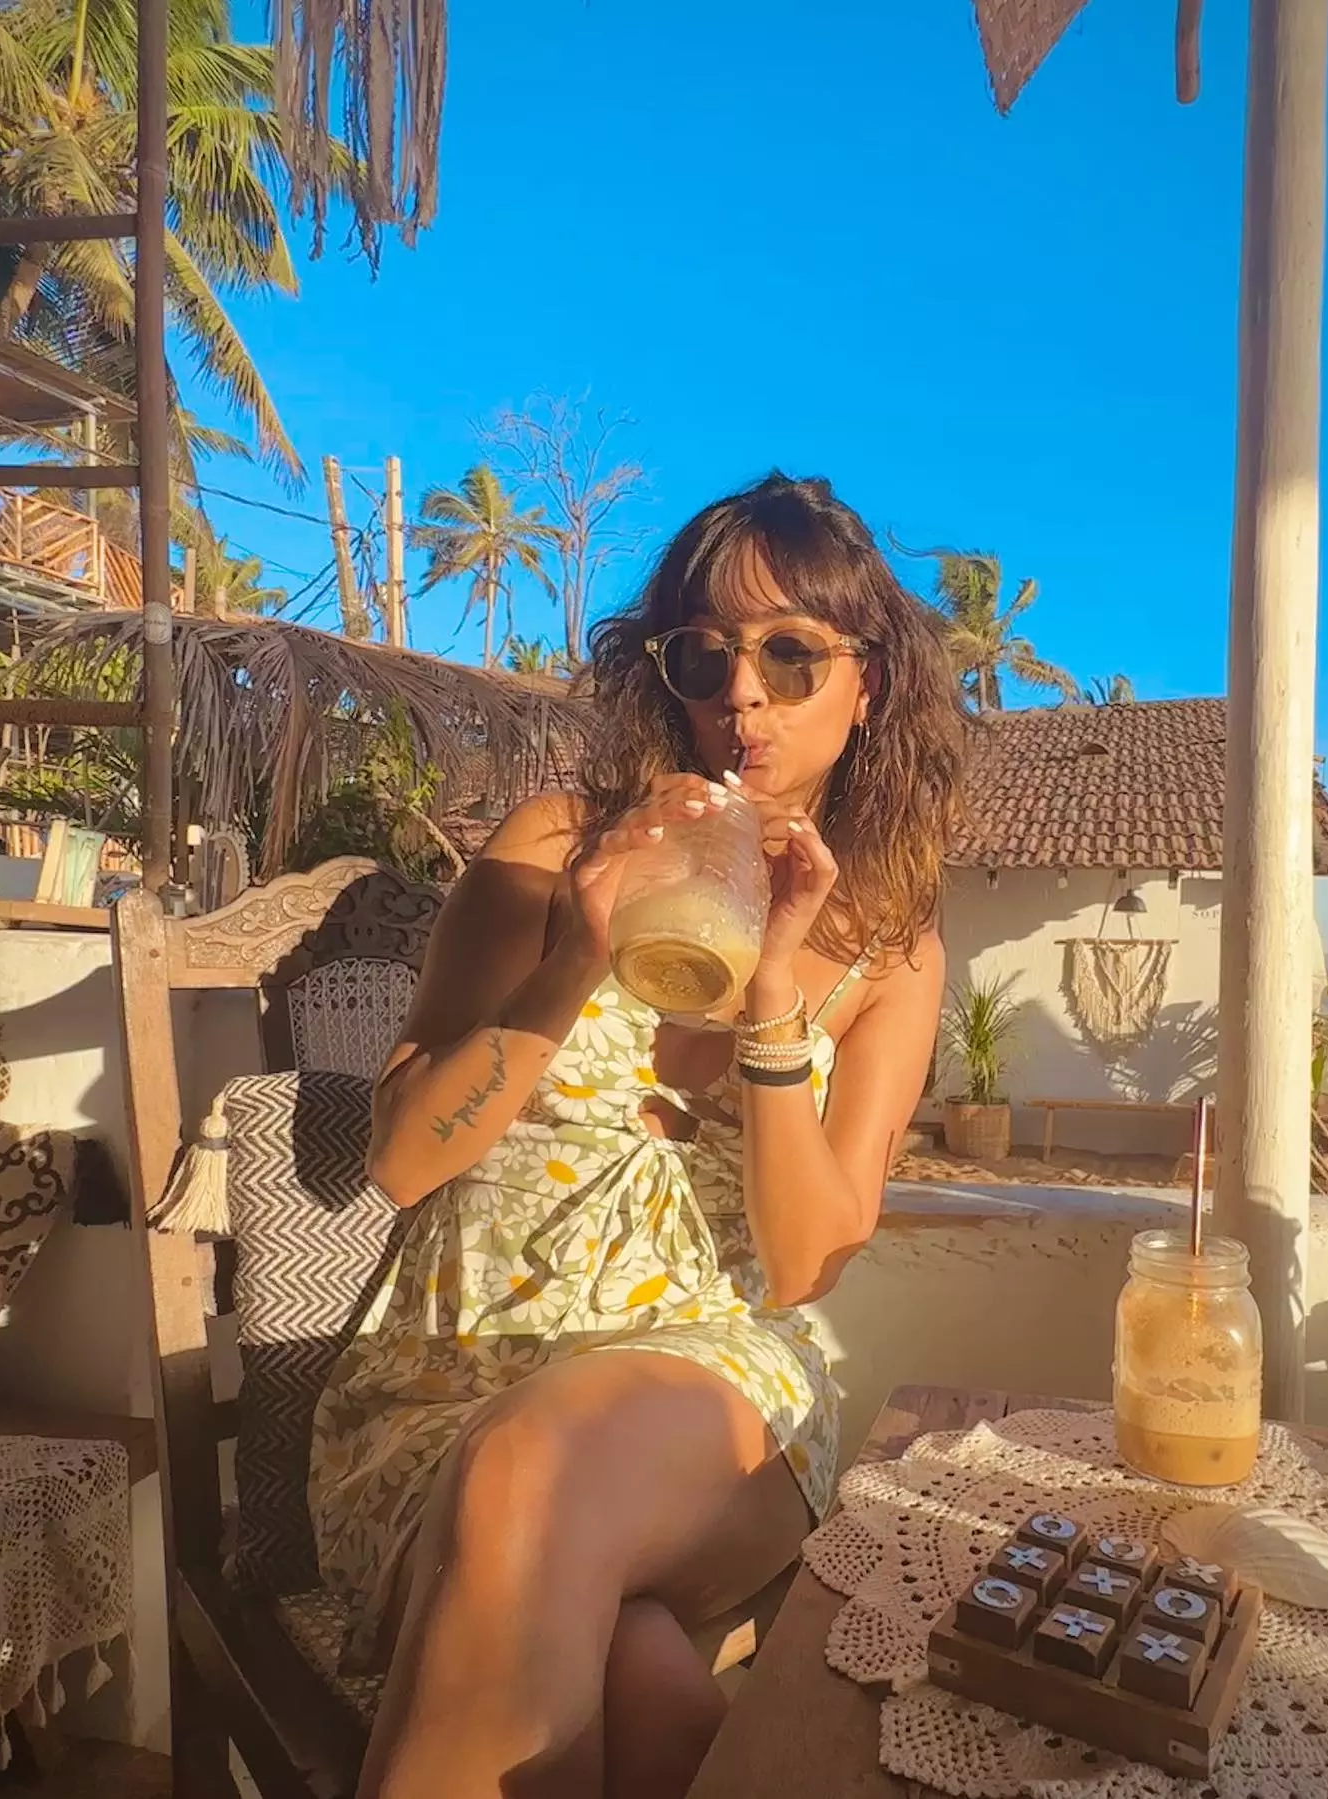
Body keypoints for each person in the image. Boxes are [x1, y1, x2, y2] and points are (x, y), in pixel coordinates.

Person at [308, 472, 964, 1799]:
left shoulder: (890, 950)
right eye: (705, 656)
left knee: (533, 1474)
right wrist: (573, 960)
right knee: (648, 1684)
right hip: (453, 1379)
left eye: (791, 655)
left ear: (869, 685)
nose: (744, 697)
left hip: (712, 1385)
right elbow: (403, 1160)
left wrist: (774, 996)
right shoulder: (556, 848)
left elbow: (803, 1264)